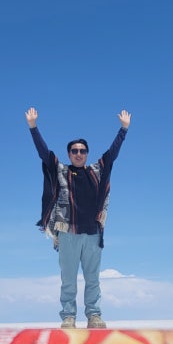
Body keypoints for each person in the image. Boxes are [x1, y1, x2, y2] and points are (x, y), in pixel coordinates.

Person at [25, 107, 131, 329]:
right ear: (69, 154)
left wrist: (123, 130)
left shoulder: (96, 171)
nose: (78, 154)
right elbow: (44, 153)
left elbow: (112, 155)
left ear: (87, 153)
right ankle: (69, 317)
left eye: (82, 150)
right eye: (74, 151)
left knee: (93, 279)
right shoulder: (61, 171)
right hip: (67, 233)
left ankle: (94, 316)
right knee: (68, 280)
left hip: (92, 233)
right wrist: (33, 127)